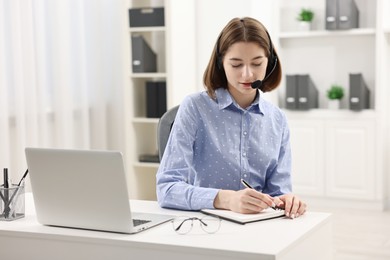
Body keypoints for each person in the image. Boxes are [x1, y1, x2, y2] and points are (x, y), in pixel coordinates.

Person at [156, 17, 306, 219]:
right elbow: (166, 189)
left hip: (259, 226)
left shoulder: (277, 119)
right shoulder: (194, 107)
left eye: (257, 63)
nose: (247, 74)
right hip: (204, 225)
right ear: (221, 64)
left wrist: (286, 200)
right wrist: (227, 200)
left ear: (270, 63)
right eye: (236, 64)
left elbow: (278, 191)